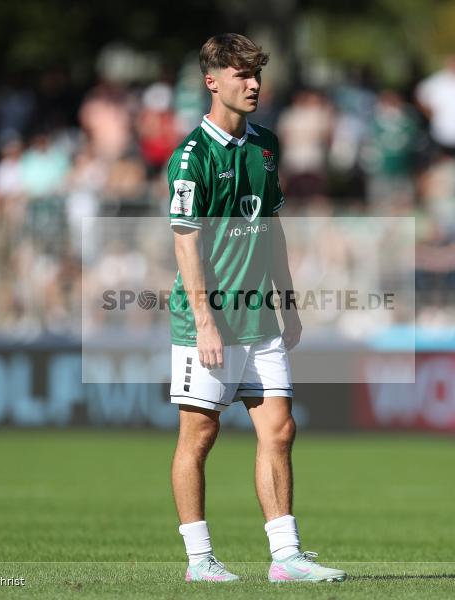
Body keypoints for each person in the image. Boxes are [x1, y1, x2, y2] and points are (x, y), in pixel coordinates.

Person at [166, 34, 346, 584]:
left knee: (281, 429)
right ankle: (200, 560)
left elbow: (271, 233)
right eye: (241, 74)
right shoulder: (191, 157)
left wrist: (286, 302)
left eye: (257, 75)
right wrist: (204, 322)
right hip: (212, 322)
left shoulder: (266, 145)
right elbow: (186, 243)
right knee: (199, 436)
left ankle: (285, 557)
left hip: (259, 319)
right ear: (212, 80)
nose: (253, 84)